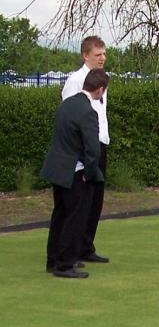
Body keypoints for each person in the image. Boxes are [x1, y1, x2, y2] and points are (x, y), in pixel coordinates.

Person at [42, 69, 109, 278]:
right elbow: (92, 150)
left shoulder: (66, 104)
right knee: (75, 218)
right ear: (100, 90)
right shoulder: (88, 111)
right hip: (75, 171)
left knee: (60, 215)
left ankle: (53, 260)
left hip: (57, 170)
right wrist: (89, 174)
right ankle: (65, 264)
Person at [61, 35, 110, 263]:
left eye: (104, 54)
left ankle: (85, 247)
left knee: (95, 201)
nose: (102, 58)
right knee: (80, 202)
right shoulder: (75, 81)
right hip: (82, 150)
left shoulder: (102, 80)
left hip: (100, 144)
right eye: (97, 54)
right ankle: (72, 249)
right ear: (85, 55)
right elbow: (70, 115)